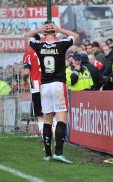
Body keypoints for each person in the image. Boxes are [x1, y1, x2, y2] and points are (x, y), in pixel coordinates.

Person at [25, 20, 79, 163]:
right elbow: (75, 35)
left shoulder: (39, 45)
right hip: (58, 84)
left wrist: (39, 29)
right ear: (55, 32)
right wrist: (59, 29)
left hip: (45, 86)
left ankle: (48, 154)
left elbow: (27, 36)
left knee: (47, 118)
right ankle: (59, 153)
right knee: (61, 118)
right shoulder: (61, 44)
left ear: (43, 33)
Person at [23, 33, 44, 139]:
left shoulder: (28, 54)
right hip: (49, 84)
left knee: (40, 114)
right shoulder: (46, 51)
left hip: (37, 86)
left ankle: (45, 137)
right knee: (51, 113)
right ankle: (54, 135)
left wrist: (24, 79)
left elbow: (26, 72)